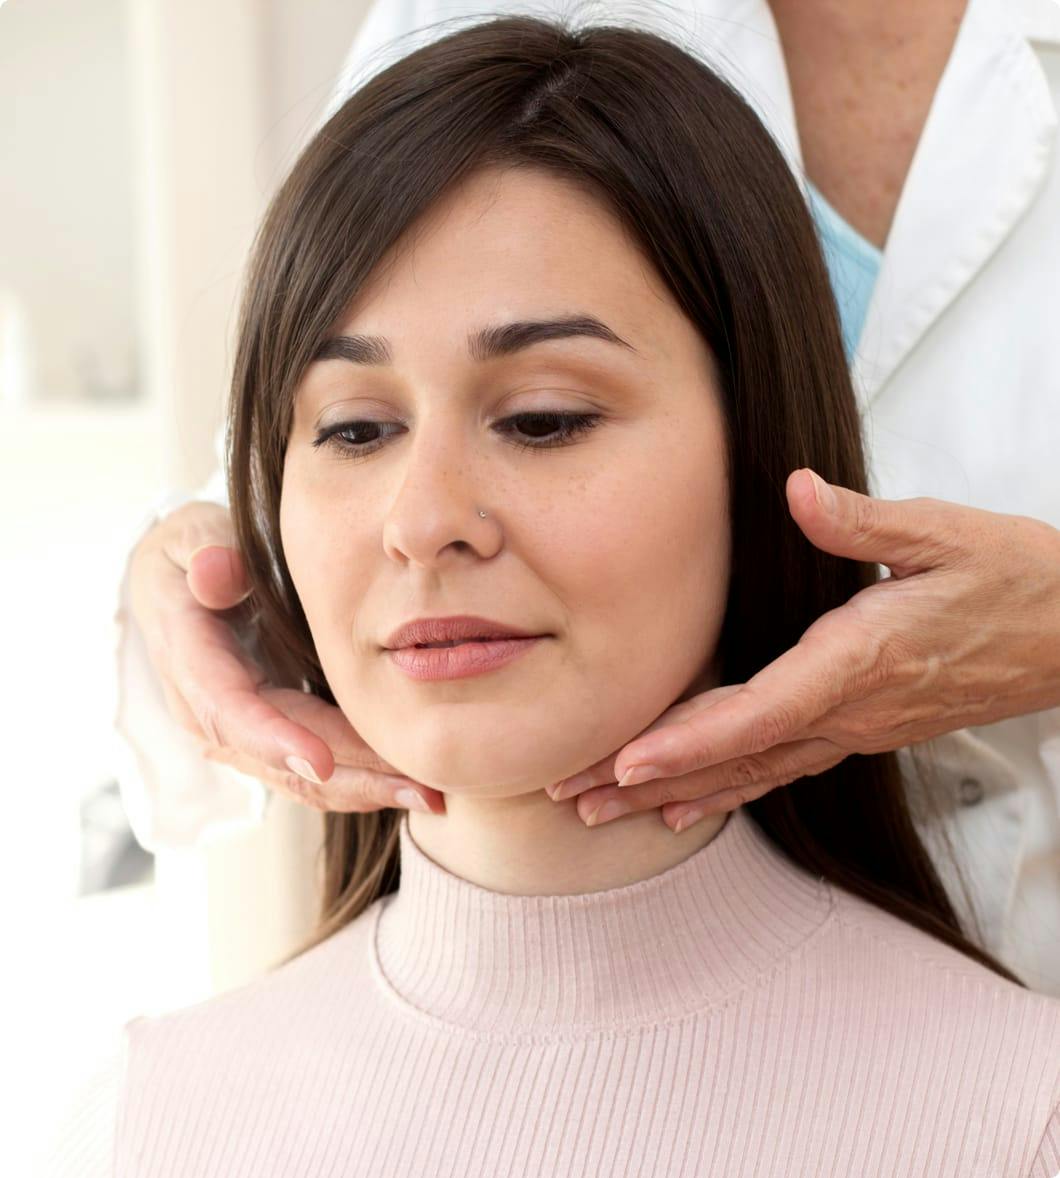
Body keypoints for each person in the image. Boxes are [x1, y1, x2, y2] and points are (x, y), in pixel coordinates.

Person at [44, 15, 1060, 1175]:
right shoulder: (147, 1119)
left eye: (543, 419)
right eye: (355, 429)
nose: (422, 520)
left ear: (757, 452)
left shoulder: (1020, 1112)